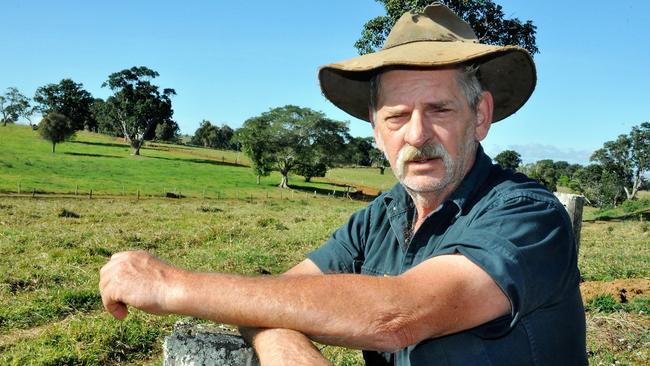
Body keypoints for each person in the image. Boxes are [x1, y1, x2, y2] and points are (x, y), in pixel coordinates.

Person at [100, 3, 587, 365]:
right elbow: (276, 292)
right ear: (377, 130)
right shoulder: (382, 216)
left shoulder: (527, 214)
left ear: (479, 115)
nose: (417, 135)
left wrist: (171, 286)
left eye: (439, 110)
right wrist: (283, 343)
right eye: (397, 117)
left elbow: (398, 316)